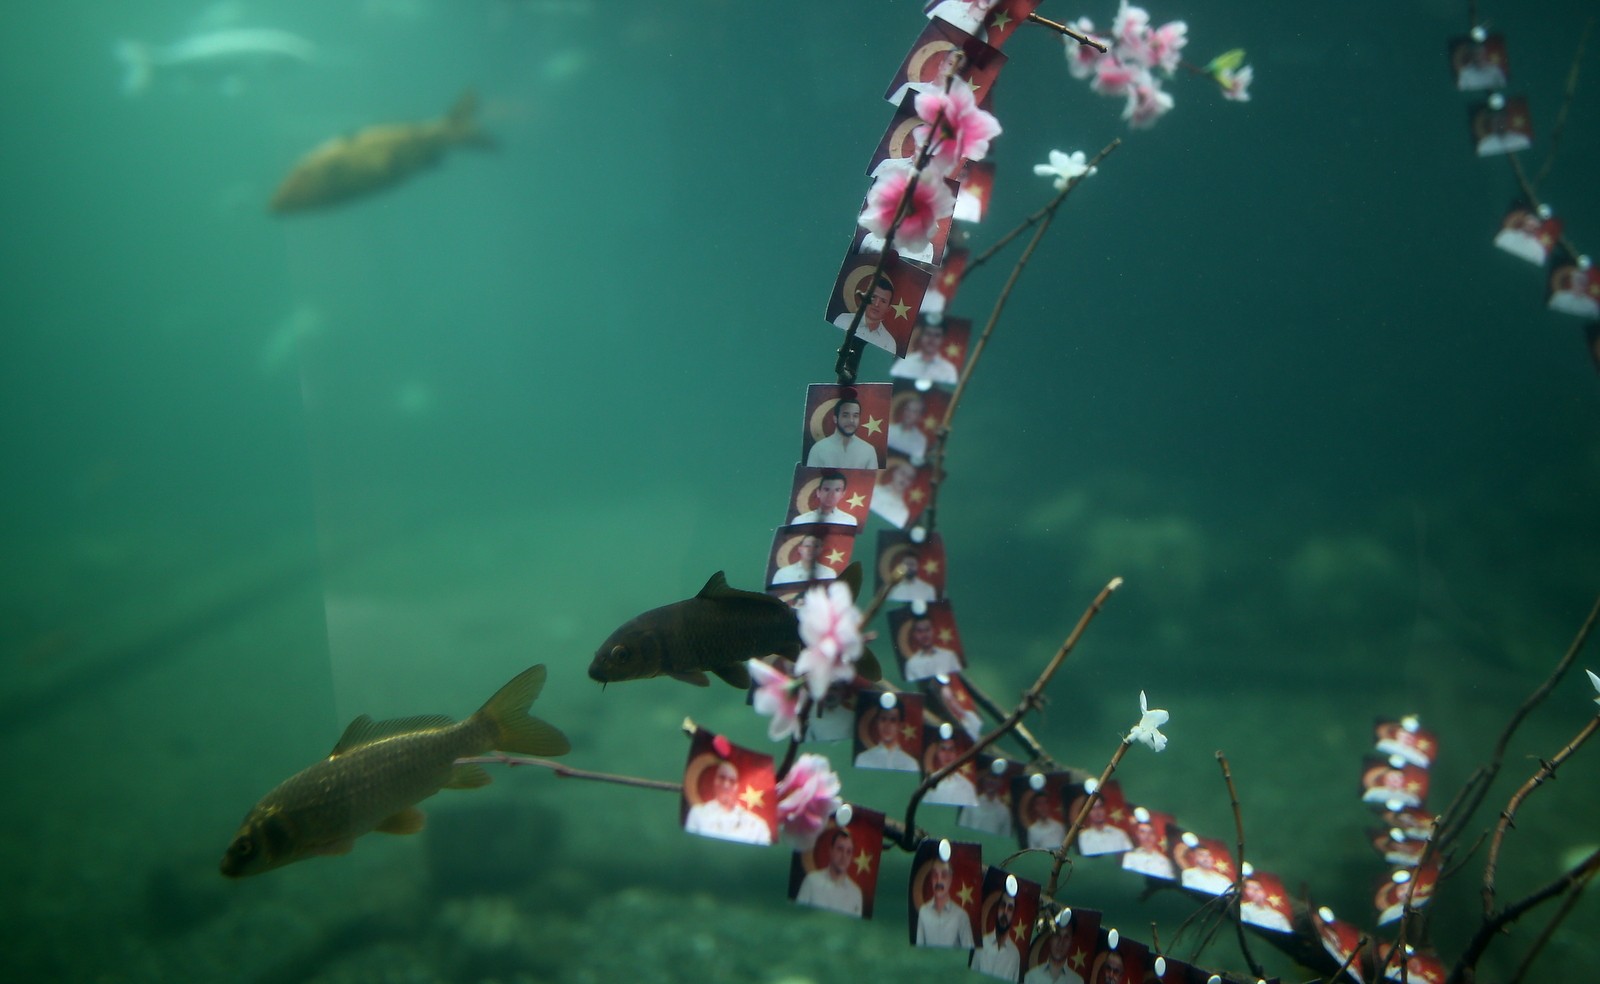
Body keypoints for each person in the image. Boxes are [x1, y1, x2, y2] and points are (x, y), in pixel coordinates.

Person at [684, 760, 772, 845]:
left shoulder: (757, 825)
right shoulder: (698, 814)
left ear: (737, 787)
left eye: (732, 781)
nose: (726, 785)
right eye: (722, 778)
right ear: (714, 782)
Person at [796, 828, 864, 916]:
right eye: (840, 849)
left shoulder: (855, 893)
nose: (844, 856)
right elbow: (798, 915)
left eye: (848, 852)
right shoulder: (811, 881)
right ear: (831, 851)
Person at [806, 396, 879, 469]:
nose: (851, 420)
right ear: (835, 419)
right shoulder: (818, 449)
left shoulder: (868, 450)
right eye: (845, 415)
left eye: (855, 416)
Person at [915, 859, 974, 947]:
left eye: (944, 875)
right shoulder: (923, 912)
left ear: (950, 879)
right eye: (935, 875)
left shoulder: (961, 916)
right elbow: (918, 949)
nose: (938, 881)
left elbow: (969, 951)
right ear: (931, 879)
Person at [832, 275, 898, 353]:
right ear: (865, 297)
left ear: (888, 308)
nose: (876, 304)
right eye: (873, 297)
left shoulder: (889, 342)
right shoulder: (844, 320)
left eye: (883, 301)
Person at [855, 701, 919, 771]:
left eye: (893, 720)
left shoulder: (910, 764)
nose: (887, 726)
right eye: (883, 719)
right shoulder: (863, 759)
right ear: (877, 722)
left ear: (900, 726)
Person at [891, 320, 961, 385]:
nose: (931, 339)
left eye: (937, 335)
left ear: (942, 339)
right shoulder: (904, 363)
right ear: (921, 336)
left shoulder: (949, 369)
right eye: (928, 334)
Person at [971, 891, 1021, 980]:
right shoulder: (982, 944)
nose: (1005, 912)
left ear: (1013, 915)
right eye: (1002, 906)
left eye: (1010, 908)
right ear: (997, 909)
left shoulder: (1014, 954)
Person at [902, 614, 962, 680]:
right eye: (920, 631)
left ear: (933, 630)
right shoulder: (911, 664)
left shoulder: (949, 656)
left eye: (927, 630)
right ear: (914, 634)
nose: (924, 635)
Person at [926, 735, 978, 806]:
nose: (947, 754)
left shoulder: (967, 787)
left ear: (956, 754)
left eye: (951, 750)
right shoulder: (928, 783)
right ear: (937, 753)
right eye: (943, 749)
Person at [960, 769, 1014, 837]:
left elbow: (1006, 837)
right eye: (989, 777)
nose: (991, 781)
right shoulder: (971, 802)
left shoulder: (1004, 811)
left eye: (995, 778)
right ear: (984, 780)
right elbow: (961, 829)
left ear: (1000, 782)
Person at [793, 471, 858, 526]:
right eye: (827, 489)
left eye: (837, 490)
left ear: (843, 494)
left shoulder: (849, 521)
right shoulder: (800, 521)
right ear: (818, 492)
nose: (831, 495)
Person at [771, 534, 838, 585]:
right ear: (800, 549)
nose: (811, 550)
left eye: (816, 546)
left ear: (820, 550)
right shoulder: (783, 573)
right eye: (807, 546)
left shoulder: (829, 573)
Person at [871, 460, 918, 528]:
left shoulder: (903, 511)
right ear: (895, 473)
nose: (904, 479)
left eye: (909, 478)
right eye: (902, 473)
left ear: (911, 484)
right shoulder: (874, 491)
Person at [887, 392, 931, 463]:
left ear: (919, 417)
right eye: (907, 409)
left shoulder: (920, 440)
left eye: (914, 411)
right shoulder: (889, 430)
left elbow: (915, 463)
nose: (908, 414)